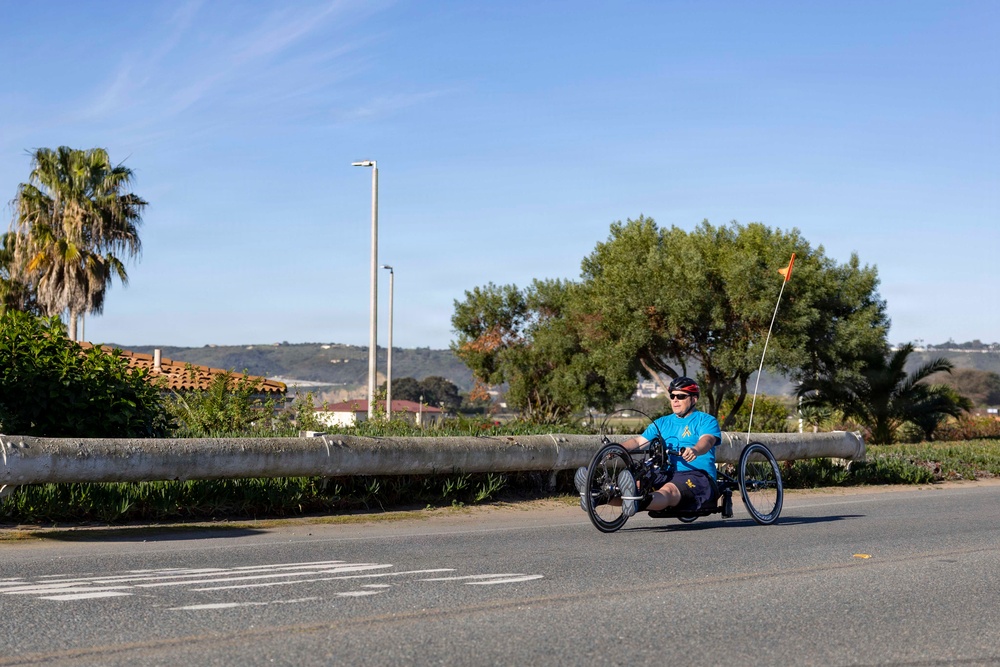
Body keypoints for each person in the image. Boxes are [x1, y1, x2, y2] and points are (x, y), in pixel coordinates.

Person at [575, 376, 722, 517]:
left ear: (694, 399)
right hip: (666, 472)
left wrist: (695, 450)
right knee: (636, 484)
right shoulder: (663, 422)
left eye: (681, 396)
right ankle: (596, 496)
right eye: (672, 396)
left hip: (696, 474)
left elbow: (707, 440)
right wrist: (617, 449)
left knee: (668, 490)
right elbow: (639, 442)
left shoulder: (706, 420)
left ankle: (638, 502)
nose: (675, 400)